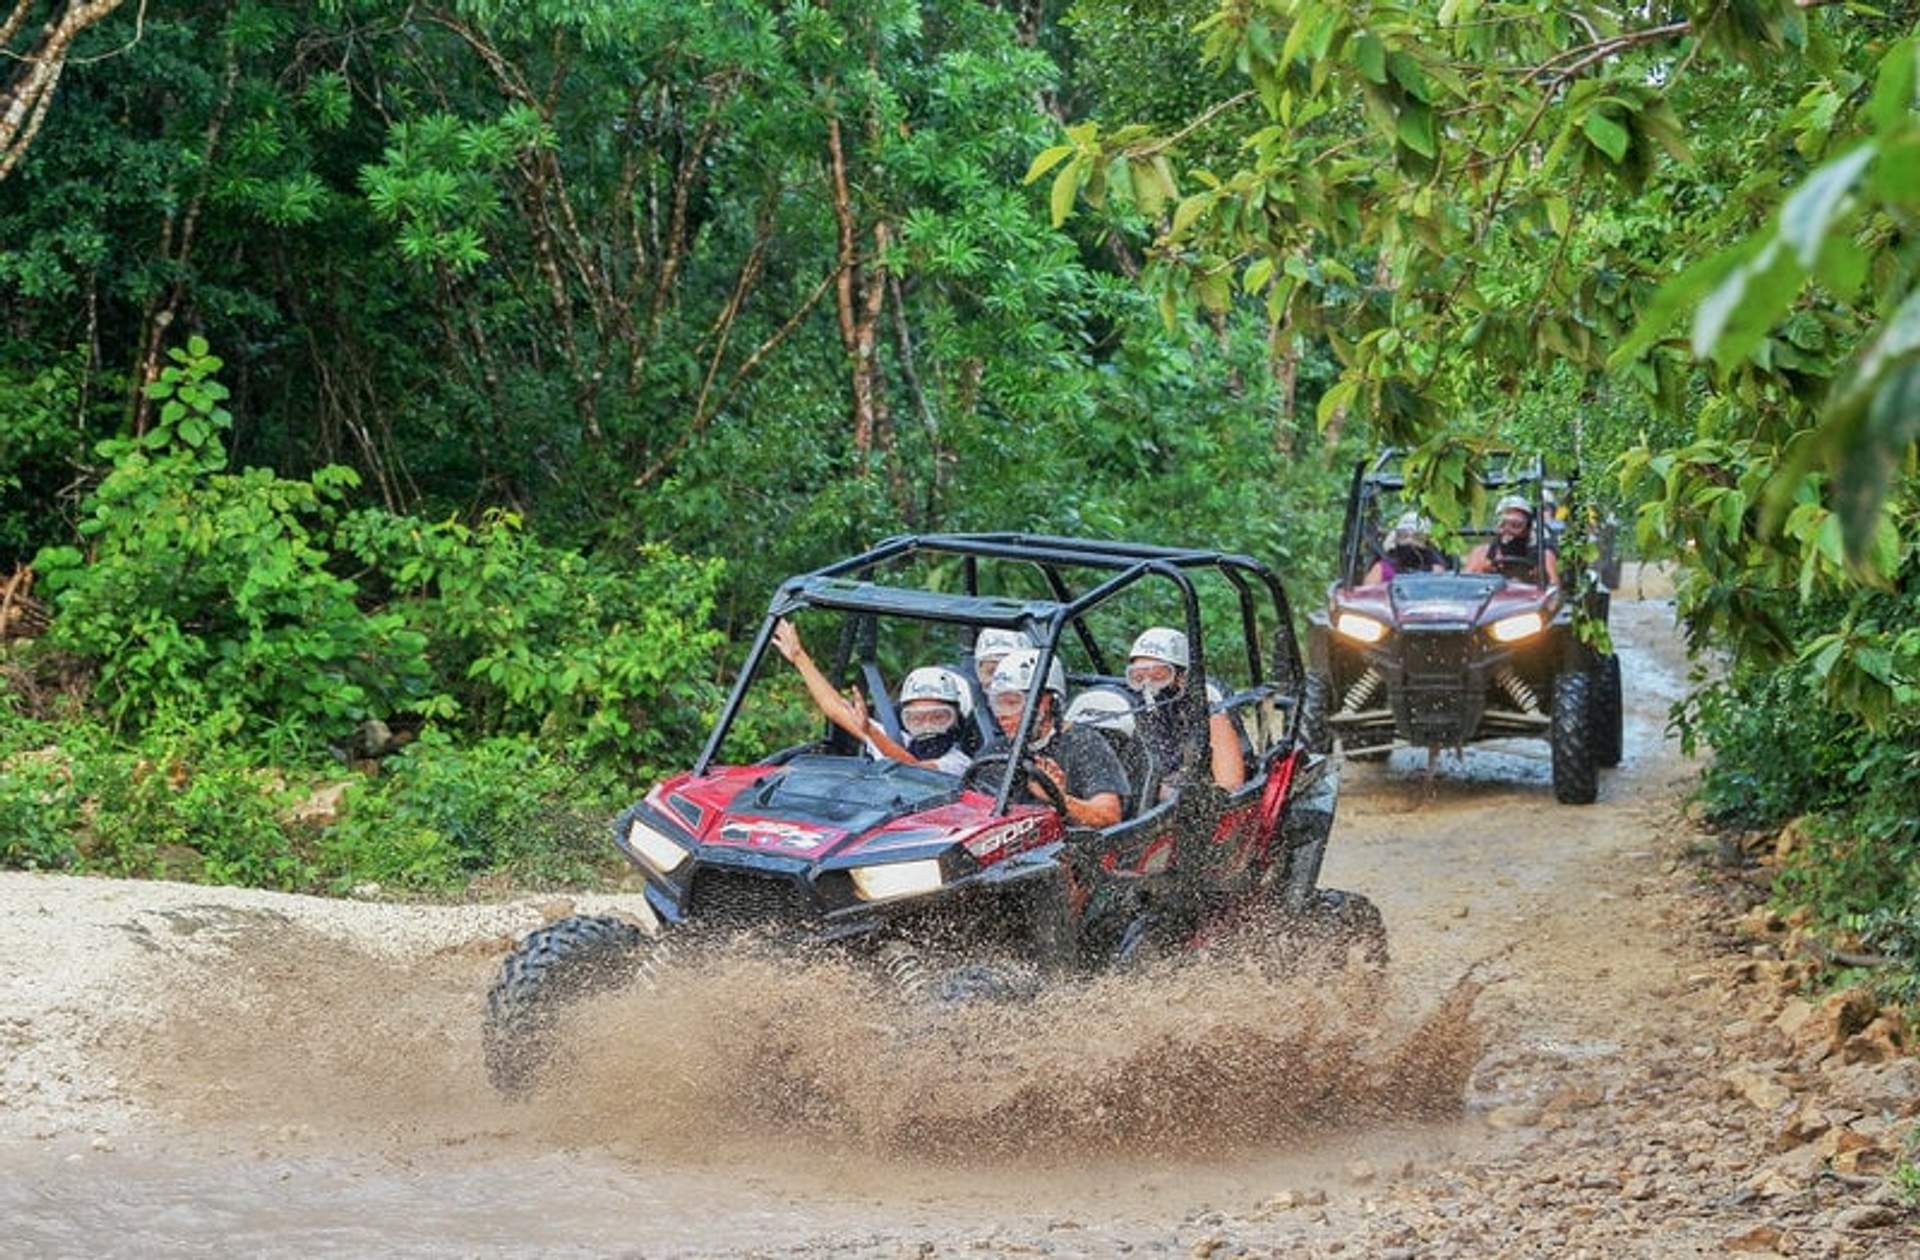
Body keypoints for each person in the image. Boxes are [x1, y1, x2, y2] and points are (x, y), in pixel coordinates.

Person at [769, 619, 972, 775]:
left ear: (955, 719)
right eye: (916, 719)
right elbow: (834, 708)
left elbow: (914, 770)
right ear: (904, 721)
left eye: (938, 717)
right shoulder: (895, 738)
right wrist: (798, 656)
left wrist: (870, 732)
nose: (927, 727)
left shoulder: (959, 762)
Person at [985, 646, 1127, 828]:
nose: (1001, 715)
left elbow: (1109, 817)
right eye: (997, 703)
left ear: (1049, 703)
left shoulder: (1085, 744)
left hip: (1068, 848)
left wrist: (1059, 799)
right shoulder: (995, 750)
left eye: (1012, 702)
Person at [1124, 627, 1247, 794]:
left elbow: (1231, 787)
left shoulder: (1211, 715)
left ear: (1182, 677)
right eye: (1138, 677)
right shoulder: (1136, 714)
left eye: (1158, 675)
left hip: (1202, 798)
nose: (1147, 685)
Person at [1464, 495, 1560, 585]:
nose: (1508, 529)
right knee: (1479, 553)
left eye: (1516, 525)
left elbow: (1553, 587)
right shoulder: (1486, 551)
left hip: (1529, 596)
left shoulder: (1542, 552)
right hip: (1498, 595)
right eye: (1501, 523)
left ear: (1527, 526)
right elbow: (1467, 582)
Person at [1363, 511, 1449, 585]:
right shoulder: (1382, 569)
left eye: (1417, 537)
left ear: (1426, 542)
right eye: (1404, 536)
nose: (1410, 541)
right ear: (1396, 539)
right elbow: (1365, 598)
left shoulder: (1436, 571)